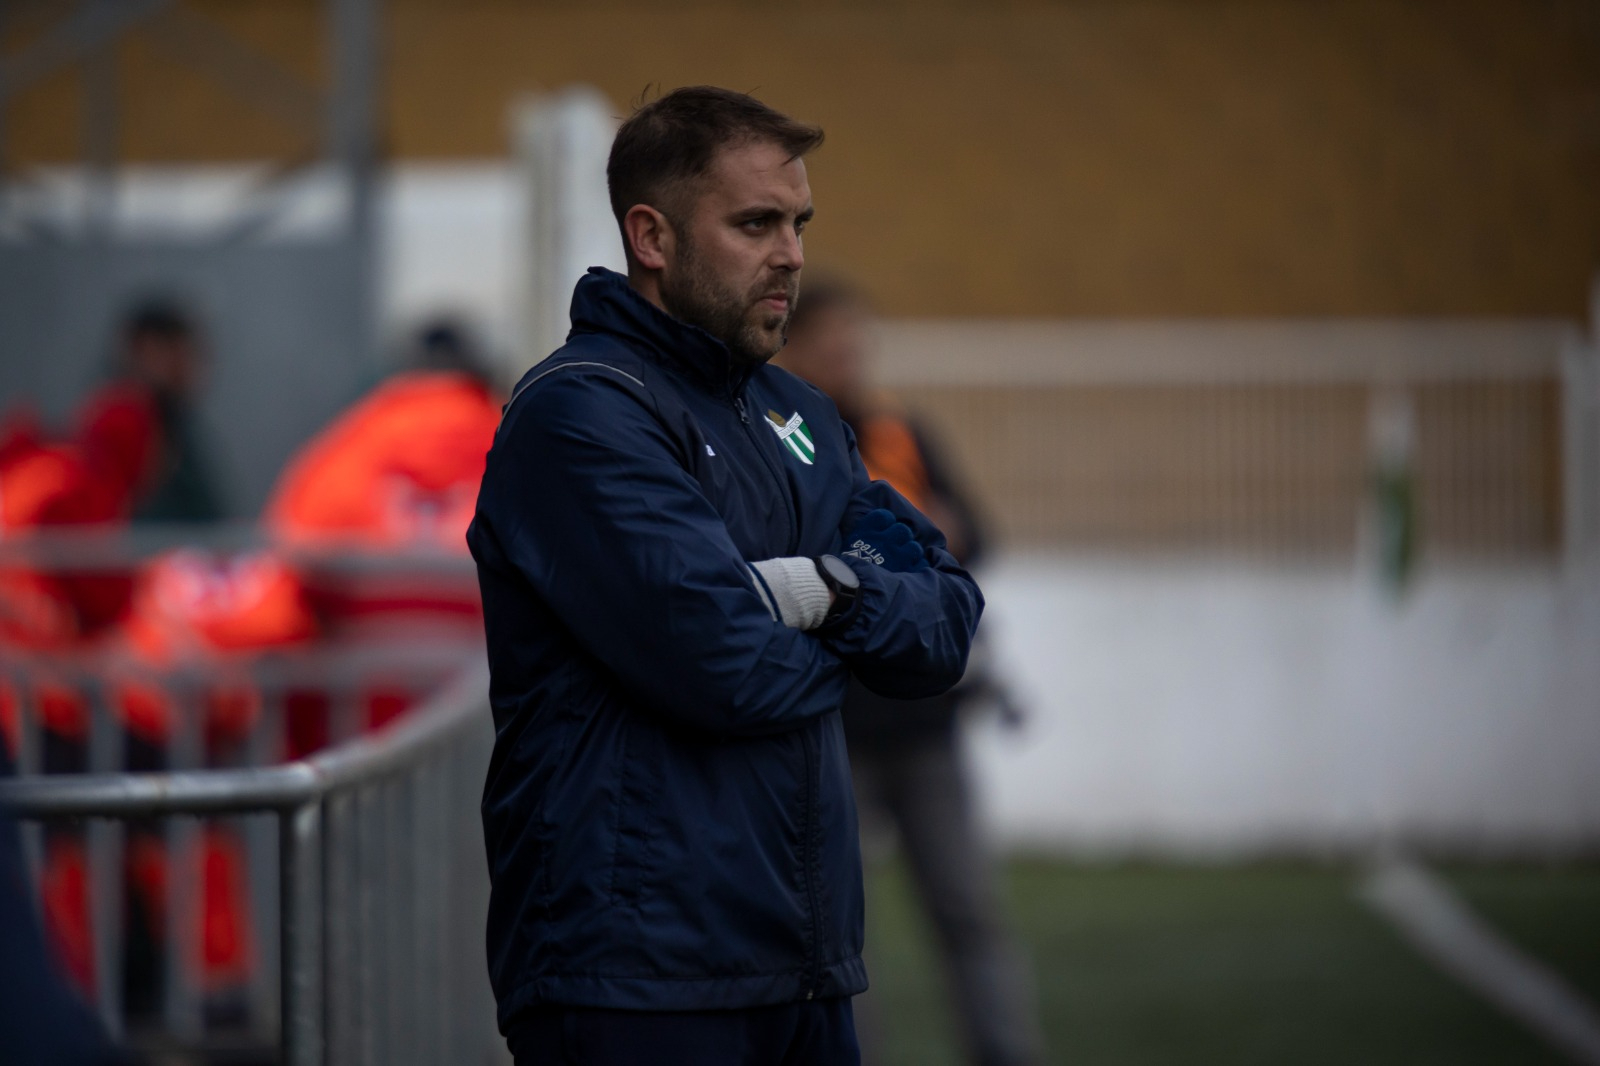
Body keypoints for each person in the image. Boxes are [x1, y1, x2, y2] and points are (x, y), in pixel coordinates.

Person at [468, 86, 984, 1066]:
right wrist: (856, 624)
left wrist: (819, 592)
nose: (790, 252)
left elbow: (947, 620)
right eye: (755, 223)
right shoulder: (581, 415)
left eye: (797, 224)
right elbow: (725, 666)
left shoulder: (800, 415)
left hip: (804, 962)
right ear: (651, 236)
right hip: (636, 974)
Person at [777, 282, 1044, 1066]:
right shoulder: (783, 436)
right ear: (793, 346)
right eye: (829, 339)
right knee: (838, 933)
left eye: (855, 340)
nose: (846, 356)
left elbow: (975, 537)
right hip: (832, 727)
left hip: (928, 723)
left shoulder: (902, 431)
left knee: (968, 911)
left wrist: (939, 537)